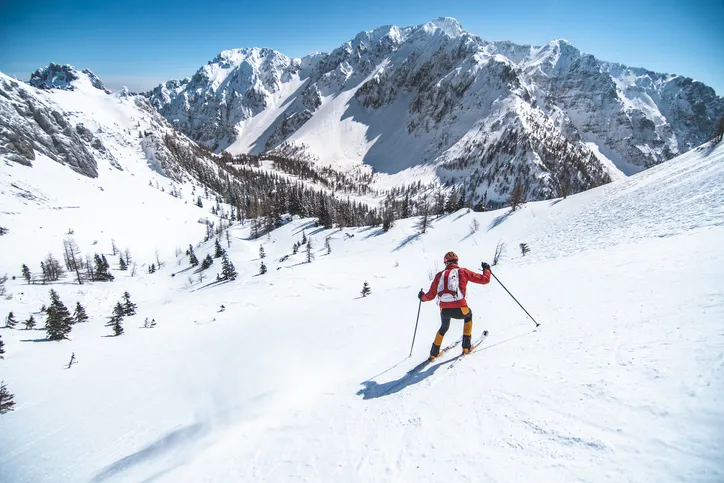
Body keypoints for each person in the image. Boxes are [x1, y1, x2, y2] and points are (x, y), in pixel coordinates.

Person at [418, 252, 491, 360]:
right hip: (460, 308)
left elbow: (430, 295)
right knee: (468, 316)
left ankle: (433, 353)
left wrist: (422, 297)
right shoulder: (462, 271)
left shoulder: (439, 275)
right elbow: (485, 280)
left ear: (445, 262)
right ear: (457, 261)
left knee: (443, 327)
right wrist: (487, 270)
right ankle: (466, 347)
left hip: (444, 310)